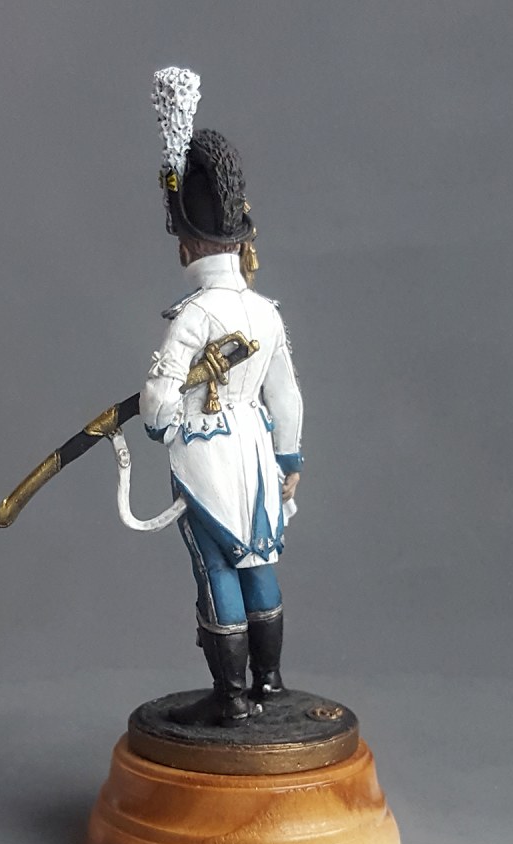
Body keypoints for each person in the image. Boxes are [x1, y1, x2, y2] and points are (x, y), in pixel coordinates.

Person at [139, 128, 303, 726]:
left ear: (188, 247)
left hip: (206, 455)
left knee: (216, 566)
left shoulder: (192, 317)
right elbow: (286, 397)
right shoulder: (265, 313)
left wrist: (159, 424)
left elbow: (159, 402)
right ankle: (270, 681)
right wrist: (287, 460)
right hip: (256, 450)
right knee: (257, 558)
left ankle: (231, 698)